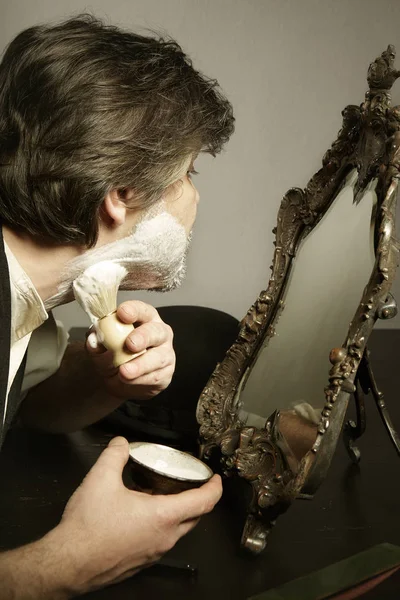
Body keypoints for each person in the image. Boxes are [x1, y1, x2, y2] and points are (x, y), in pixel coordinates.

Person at [0, 14, 234, 598]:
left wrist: (105, 379)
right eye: (188, 173)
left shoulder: (29, 302)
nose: (195, 197)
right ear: (122, 196)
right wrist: (69, 564)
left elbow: (28, 410)